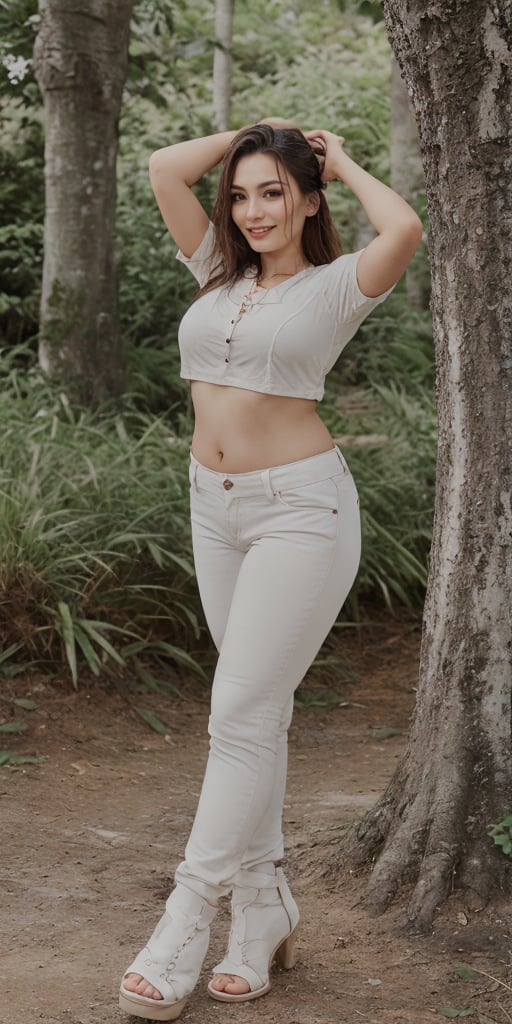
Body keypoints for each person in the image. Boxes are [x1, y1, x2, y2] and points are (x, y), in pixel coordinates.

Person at [119, 118, 422, 1021]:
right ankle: (263, 909)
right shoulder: (218, 271)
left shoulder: (336, 286)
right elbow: (162, 165)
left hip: (302, 512)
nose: (254, 209)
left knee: (238, 716)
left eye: (274, 192)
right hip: (213, 507)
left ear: (308, 201)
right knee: (259, 715)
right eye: (244, 194)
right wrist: (250, 138)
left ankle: (186, 917)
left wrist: (338, 158)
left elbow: (404, 228)